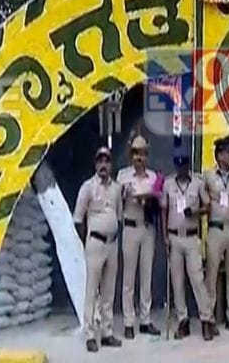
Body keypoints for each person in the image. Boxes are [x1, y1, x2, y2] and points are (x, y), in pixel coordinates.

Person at [160, 151, 214, 340]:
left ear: (188, 166)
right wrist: (165, 236)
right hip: (174, 237)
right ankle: (183, 320)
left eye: (184, 165)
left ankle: (206, 319)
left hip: (192, 237)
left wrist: (196, 211)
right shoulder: (168, 183)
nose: (181, 169)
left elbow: (208, 206)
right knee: (177, 282)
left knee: (197, 279)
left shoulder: (197, 183)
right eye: (178, 165)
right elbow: (164, 211)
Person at [74, 146, 123, 352]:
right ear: (95, 164)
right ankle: (89, 334)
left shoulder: (116, 188)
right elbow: (78, 219)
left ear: (111, 164)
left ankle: (107, 332)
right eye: (100, 161)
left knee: (109, 291)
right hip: (95, 242)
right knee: (92, 290)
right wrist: (88, 239)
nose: (103, 165)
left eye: (107, 161)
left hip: (112, 243)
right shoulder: (87, 187)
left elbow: (119, 216)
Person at [117, 135, 160, 338]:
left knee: (146, 275)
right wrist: (123, 194)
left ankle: (145, 319)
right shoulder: (123, 176)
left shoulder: (153, 177)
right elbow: (116, 202)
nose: (138, 157)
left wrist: (151, 199)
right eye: (135, 153)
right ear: (130, 155)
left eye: (141, 153)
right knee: (129, 278)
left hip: (147, 228)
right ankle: (128, 321)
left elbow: (158, 201)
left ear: (147, 155)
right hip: (130, 227)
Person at [205, 135, 229, 334]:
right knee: (211, 275)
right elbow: (204, 202)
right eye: (228, 152)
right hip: (216, 229)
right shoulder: (208, 175)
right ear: (220, 155)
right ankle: (209, 317)